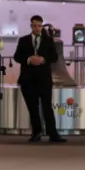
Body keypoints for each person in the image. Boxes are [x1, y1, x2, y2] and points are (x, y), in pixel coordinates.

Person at [13, 15, 65, 143]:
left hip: (44, 79)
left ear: (42, 26)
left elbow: (54, 57)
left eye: (39, 26)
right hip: (28, 79)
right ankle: (36, 133)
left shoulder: (48, 41)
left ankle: (53, 134)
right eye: (35, 26)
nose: (37, 28)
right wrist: (29, 59)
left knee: (47, 106)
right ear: (31, 26)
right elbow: (17, 57)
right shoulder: (23, 40)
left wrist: (43, 60)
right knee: (33, 107)